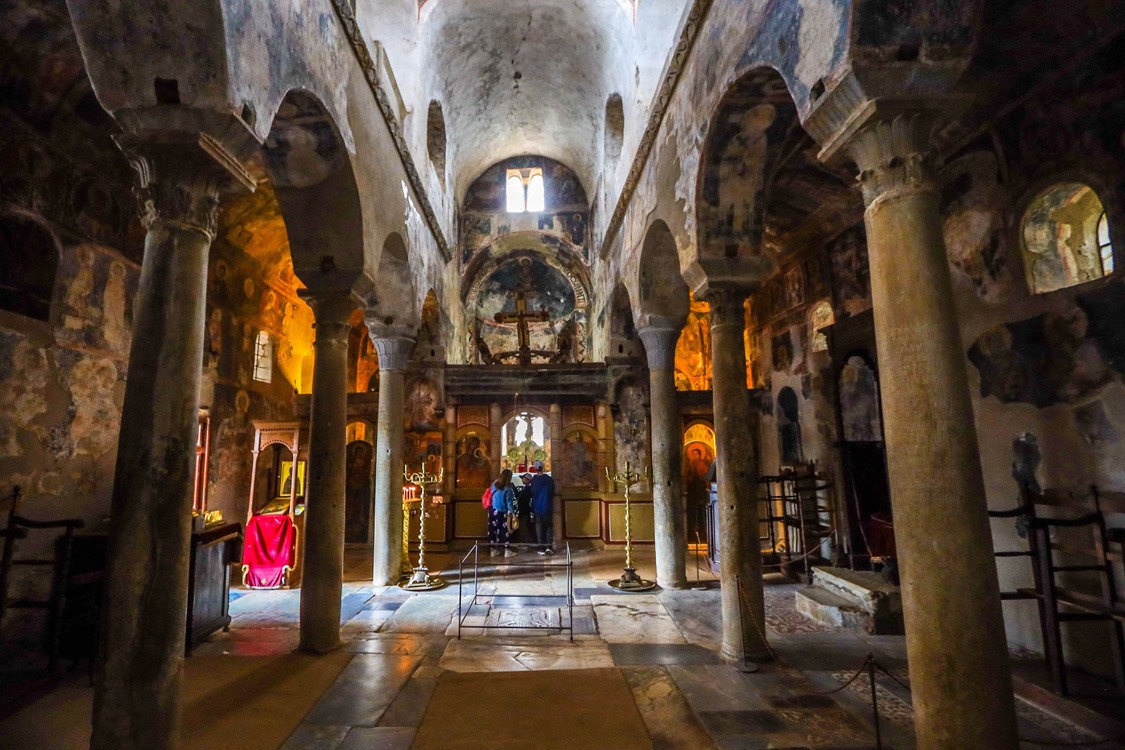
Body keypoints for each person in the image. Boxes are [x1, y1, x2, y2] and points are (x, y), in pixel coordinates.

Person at [488, 469, 517, 558]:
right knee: (505, 531)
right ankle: (507, 550)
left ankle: (493, 550)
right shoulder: (508, 489)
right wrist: (513, 514)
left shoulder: (494, 485)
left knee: (493, 530)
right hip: (502, 512)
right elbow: (509, 503)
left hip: (492, 510)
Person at [529, 462, 556, 555]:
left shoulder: (534, 480)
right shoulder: (548, 479)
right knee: (548, 527)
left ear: (535, 469)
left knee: (539, 527)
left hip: (537, 508)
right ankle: (549, 546)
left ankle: (541, 547)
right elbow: (552, 491)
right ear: (543, 468)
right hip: (547, 506)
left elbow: (532, 492)